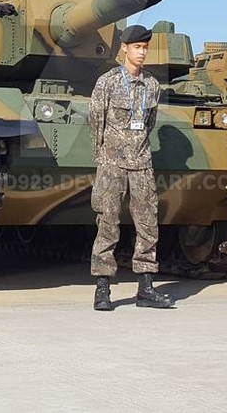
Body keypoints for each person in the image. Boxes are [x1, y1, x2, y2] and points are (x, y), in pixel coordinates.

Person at [89, 24, 175, 311]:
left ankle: (146, 288)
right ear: (124, 48)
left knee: (148, 225)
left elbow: (149, 124)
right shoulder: (108, 82)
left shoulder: (152, 85)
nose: (142, 52)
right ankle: (103, 288)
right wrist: (103, 158)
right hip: (112, 164)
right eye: (137, 47)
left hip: (141, 165)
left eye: (145, 47)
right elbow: (96, 123)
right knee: (108, 223)